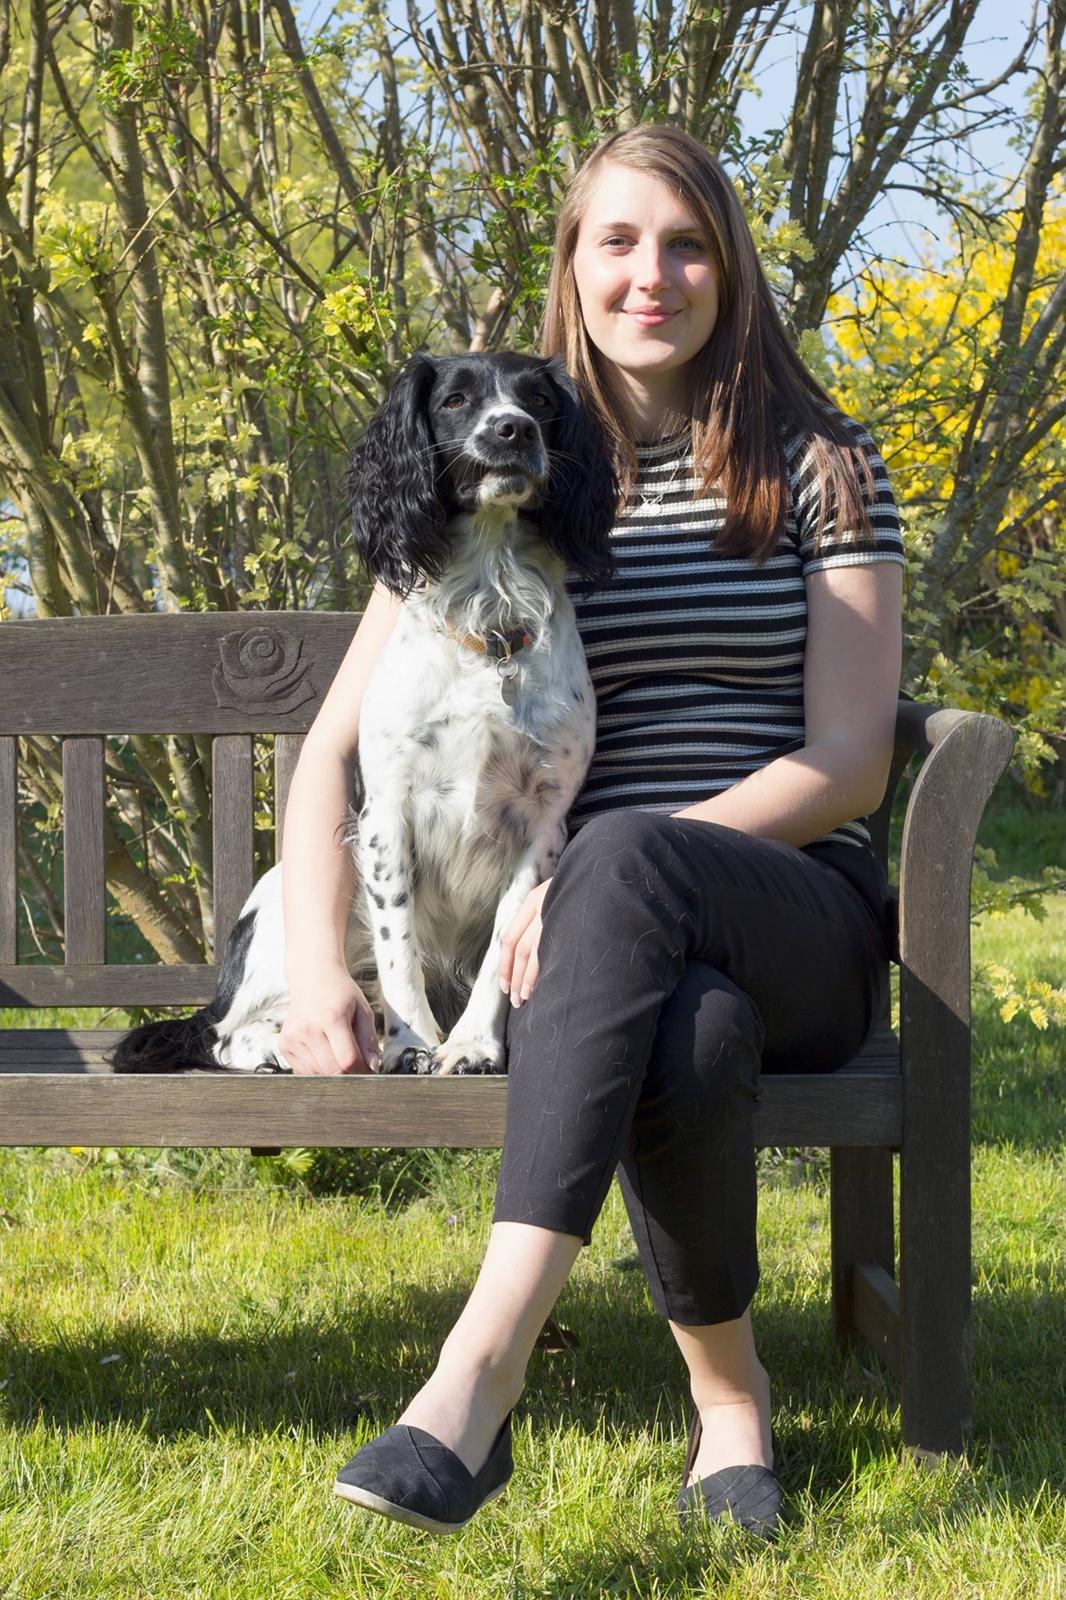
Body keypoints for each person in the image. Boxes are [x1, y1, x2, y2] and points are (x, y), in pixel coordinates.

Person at [284, 124, 905, 1537]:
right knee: (689, 1036)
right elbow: (332, 747)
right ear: (571, 266)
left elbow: (852, 761)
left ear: (729, 270)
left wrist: (622, 861)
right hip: (596, 958)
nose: (651, 275)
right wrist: (322, 969)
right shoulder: (502, 469)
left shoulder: (823, 466)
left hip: (792, 905)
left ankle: (474, 1376)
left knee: (621, 851)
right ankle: (730, 1415)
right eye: (616, 242)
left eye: (684, 243)